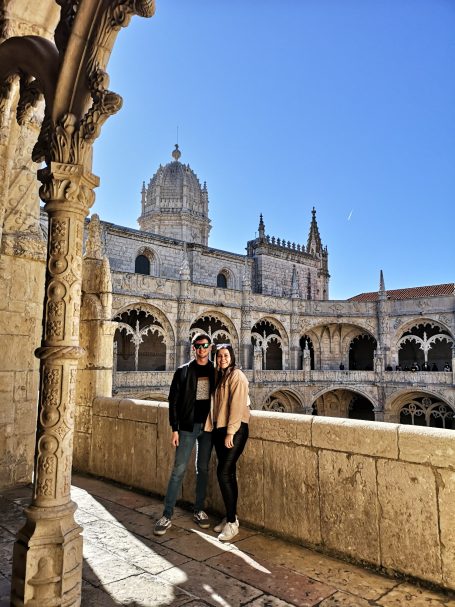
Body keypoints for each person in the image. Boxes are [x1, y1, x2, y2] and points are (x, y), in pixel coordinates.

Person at [154, 333, 215, 536]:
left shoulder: (216, 370)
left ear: (210, 347)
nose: (201, 349)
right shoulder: (183, 371)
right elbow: (174, 402)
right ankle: (167, 515)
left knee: (203, 469)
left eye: (205, 345)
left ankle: (198, 510)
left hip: (208, 427)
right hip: (187, 427)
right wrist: (174, 428)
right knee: (178, 470)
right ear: (193, 348)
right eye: (198, 346)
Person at [210, 344, 250, 542]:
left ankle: (233, 523)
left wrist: (230, 433)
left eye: (226, 355)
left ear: (232, 357)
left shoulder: (237, 376)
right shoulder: (221, 377)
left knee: (223, 472)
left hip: (235, 430)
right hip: (220, 429)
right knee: (229, 473)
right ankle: (230, 515)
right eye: (219, 356)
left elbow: (237, 406)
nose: (222, 359)